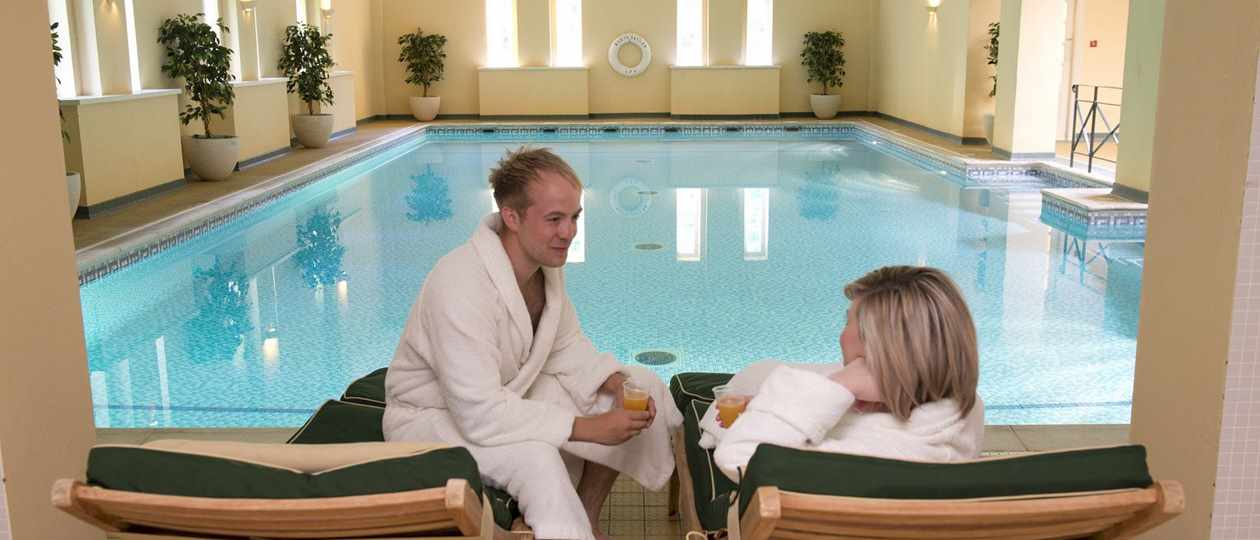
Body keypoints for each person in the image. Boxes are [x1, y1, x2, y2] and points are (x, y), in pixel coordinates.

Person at [383, 147, 683, 540]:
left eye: (575, 217)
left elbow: (564, 347)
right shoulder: (459, 283)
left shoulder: (543, 269)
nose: (569, 232)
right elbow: (478, 413)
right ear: (512, 217)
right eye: (555, 219)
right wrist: (586, 427)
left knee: (637, 383)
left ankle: (587, 518)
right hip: (433, 417)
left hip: (507, 392)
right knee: (537, 459)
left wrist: (613, 382)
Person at [707, 266, 984, 481]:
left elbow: (737, 456)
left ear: (874, 345)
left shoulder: (858, 461)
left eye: (848, 322)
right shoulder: (963, 412)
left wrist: (840, 382)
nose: (842, 335)